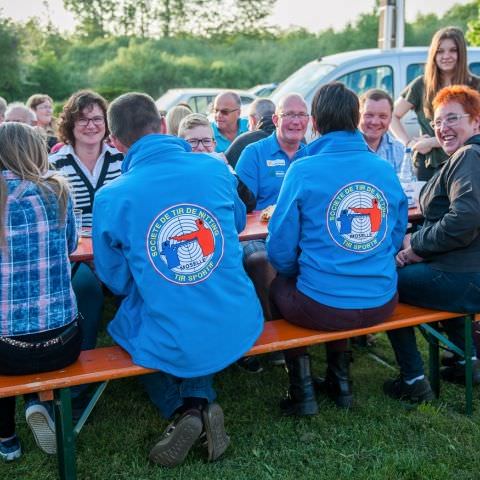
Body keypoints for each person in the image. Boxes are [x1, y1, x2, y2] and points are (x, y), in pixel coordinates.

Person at [92, 92, 263, 467]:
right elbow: (234, 224)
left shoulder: (111, 196)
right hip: (238, 317)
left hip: (180, 317)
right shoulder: (215, 168)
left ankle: (183, 411)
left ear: (116, 142)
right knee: (189, 312)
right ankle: (200, 402)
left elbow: (115, 279)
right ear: (161, 125)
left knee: (128, 330)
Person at [267, 82, 407, 415]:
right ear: (356, 120)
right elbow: (395, 233)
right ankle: (340, 380)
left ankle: (302, 392)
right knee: (327, 284)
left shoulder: (302, 170)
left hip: (323, 306)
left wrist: (298, 270)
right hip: (382, 300)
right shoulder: (383, 169)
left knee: (277, 286)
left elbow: (279, 249)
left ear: (315, 122)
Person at [385, 85, 480, 403]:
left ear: (476, 122)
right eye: (438, 122)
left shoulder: (469, 156)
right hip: (466, 272)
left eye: (452, 119)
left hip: (465, 277)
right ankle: (468, 362)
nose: (443, 128)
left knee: (385, 283)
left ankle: (413, 380)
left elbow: (464, 219)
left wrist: (416, 247)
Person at [0, 123, 81, 461]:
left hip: (6, 349)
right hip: (63, 343)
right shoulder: (58, 191)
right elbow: (72, 245)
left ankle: (7, 440)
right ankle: (37, 401)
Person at [49, 90, 123, 377]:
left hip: (117, 246)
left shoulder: (121, 159)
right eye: (82, 119)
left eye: (97, 119)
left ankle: (146, 357)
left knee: (137, 284)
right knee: (86, 290)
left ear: (106, 124)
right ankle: (82, 371)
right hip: (74, 250)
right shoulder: (55, 164)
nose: (91, 125)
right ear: (70, 124)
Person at [235, 93, 309, 330]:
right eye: (289, 115)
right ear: (276, 119)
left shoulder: (311, 155)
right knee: (261, 259)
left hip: (303, 232)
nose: (295, 121)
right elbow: (241, 205)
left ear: (308, 121)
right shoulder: (254, 153)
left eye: (301, 115)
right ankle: (277, 332)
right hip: (259, 235)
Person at [390, 26, 480, 180]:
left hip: (467, 163)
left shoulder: (475, 85)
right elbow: (392, 116)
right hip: (428, 165)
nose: (446, 56)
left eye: (453, 50)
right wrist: (409, 143)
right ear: (433, 54)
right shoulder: (421, 85)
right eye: (440, 51)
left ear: (461, 53)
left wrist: (432, 142)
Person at [178, 113, 255, 212]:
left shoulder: (221, 169)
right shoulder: (177, 173)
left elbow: (249, 203)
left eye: (206, 141)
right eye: (193, 141)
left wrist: (227, 171)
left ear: (214, 144)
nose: (201, 148)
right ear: (182, 145)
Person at [359, 89, 405, 174]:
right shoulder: (344, 147)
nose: (375, 122)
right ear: (358, 116)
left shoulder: (399, 150)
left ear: (390, 119)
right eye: (369, 115)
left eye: (382, 116)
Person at [225, 98, 276, 168]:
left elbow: (225, 168)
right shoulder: (288, 138)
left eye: (248, 121)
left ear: (252, 120)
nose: (247, 125)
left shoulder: (243, 141)